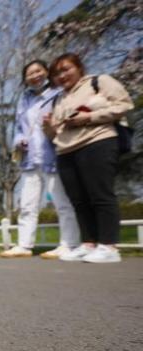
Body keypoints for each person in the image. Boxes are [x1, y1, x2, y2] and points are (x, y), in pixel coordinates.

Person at [43, 53, 134, 263]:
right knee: (79, 200)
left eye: (66, 69)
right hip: (66, 150)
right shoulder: (59, 98)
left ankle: (109, 246)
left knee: (100, 194)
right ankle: (88, 242)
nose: (62, 76)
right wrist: (48, 127)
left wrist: (89, 117)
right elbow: (54, 133)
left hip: (97, 141)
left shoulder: (98, 82)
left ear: (79, 67)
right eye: (57, 74)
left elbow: (124, 105)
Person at [0, 60, 80, 259]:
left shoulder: (58, 94)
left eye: (38, 71)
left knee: (61, 201)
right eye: (30, 73)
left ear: (46, 72)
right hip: (30, 159)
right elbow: (19, 127)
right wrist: (19, 141)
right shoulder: (24, 99)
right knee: (27, 205)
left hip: (52, 155)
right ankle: (24, 245)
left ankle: (69, 244)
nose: (35, 76)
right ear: (25, 79)